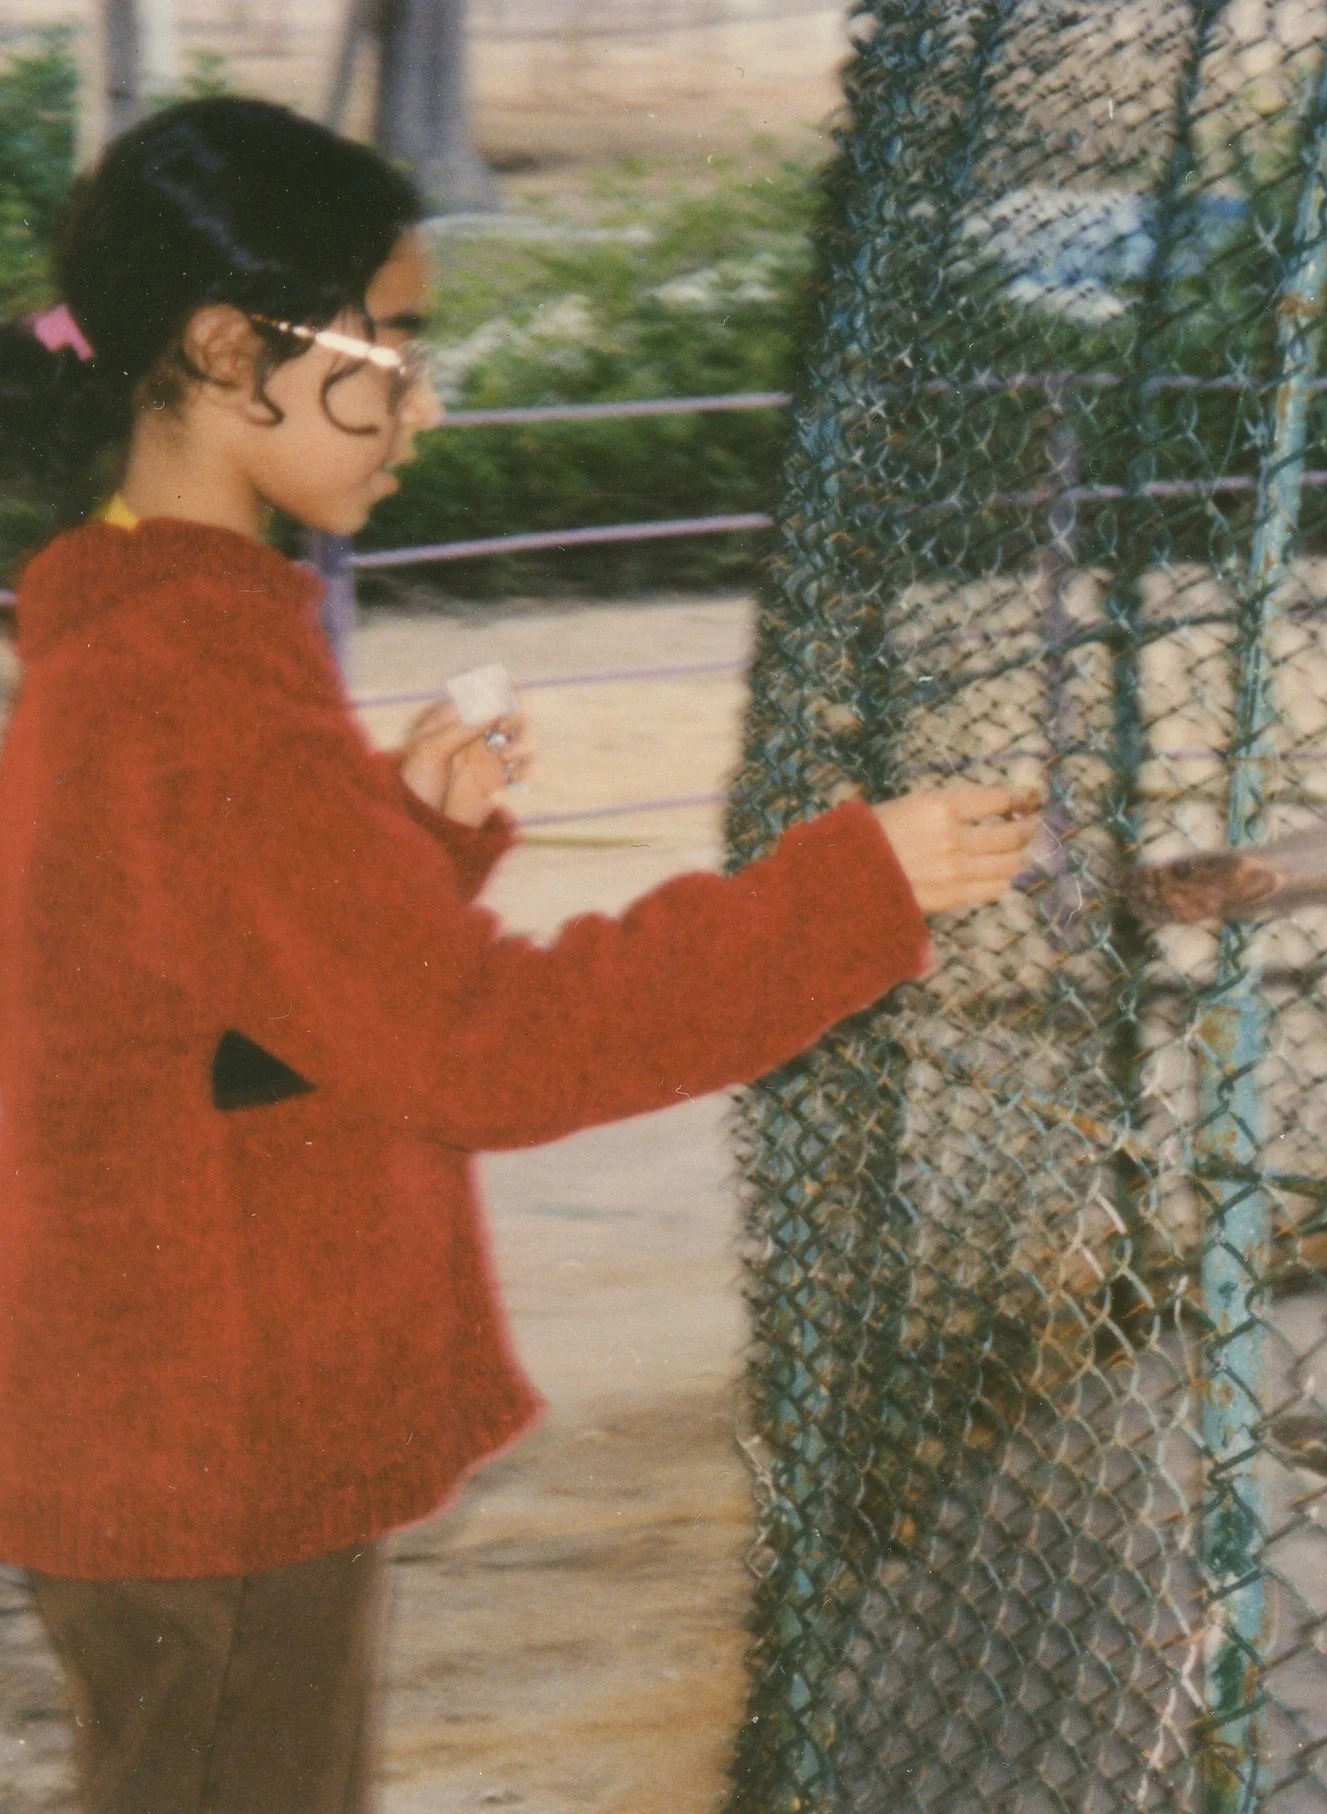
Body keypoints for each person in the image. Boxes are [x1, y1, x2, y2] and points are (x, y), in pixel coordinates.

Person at [0, 97, 1036, 1814]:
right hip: (214, 1441)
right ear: (224, 349)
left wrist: (400, 836)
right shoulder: (193, 679)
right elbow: (486, 1046)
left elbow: (213, 985)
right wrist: (851, 893)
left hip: (178, 1411)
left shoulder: (140, 617)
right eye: (390, 346)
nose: (423, 399)